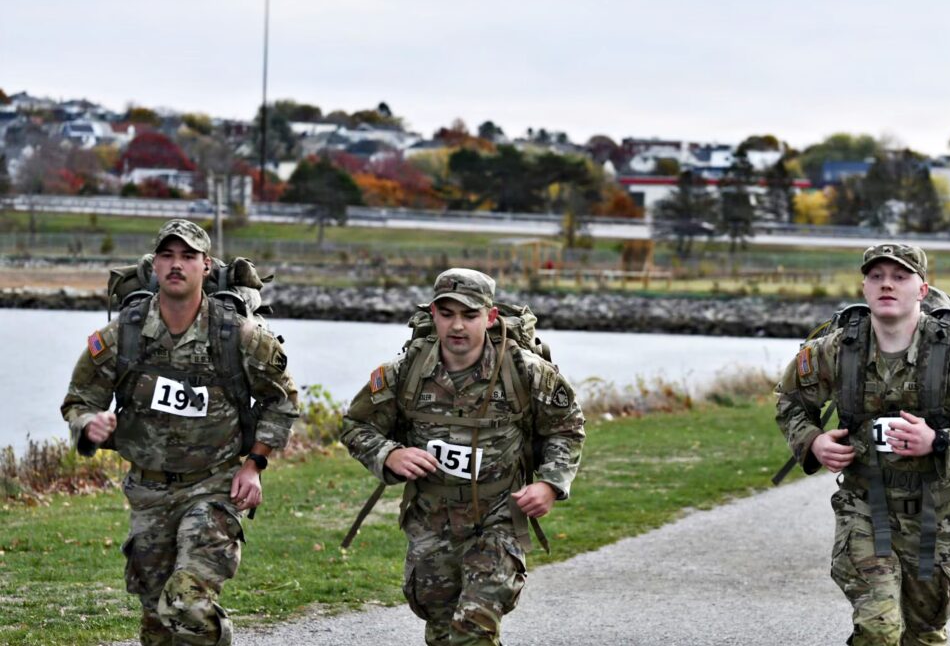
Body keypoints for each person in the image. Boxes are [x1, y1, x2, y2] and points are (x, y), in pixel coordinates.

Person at [61, 219, 298, 646]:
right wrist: (88, 425)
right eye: (167, 255)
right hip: (148, 493)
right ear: (153, 267)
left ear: (205, 266)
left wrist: (254, 464)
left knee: (186, 604)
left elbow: (281, 400)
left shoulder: (238, 336)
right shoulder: (122, 337)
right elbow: (78, 400)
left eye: (188, 256)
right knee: (157, 625)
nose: (176, 265)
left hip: (213, 488)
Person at [775, 243, 950, 645]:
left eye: (900, 277)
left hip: (932, 514)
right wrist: (813, 441)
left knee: (925, 634)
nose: (887, 285)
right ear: (865, 288)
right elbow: (790, 402)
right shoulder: (837, 351)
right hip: (863, 506)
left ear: (921, 290)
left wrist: (938, 442)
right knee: (879, 628)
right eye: (877, 277)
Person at [340, 268, 585, 646]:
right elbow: (356, 425)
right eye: (447, 313)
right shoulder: (406, 372)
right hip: (430, 520)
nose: (457, 326)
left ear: (489, 318)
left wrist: (551, 484)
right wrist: (389, 454)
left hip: (498, 518)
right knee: (441, 630)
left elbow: (566, 427)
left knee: (473, 628)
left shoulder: (524, 370)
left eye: (469, 315)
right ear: (432, 314)